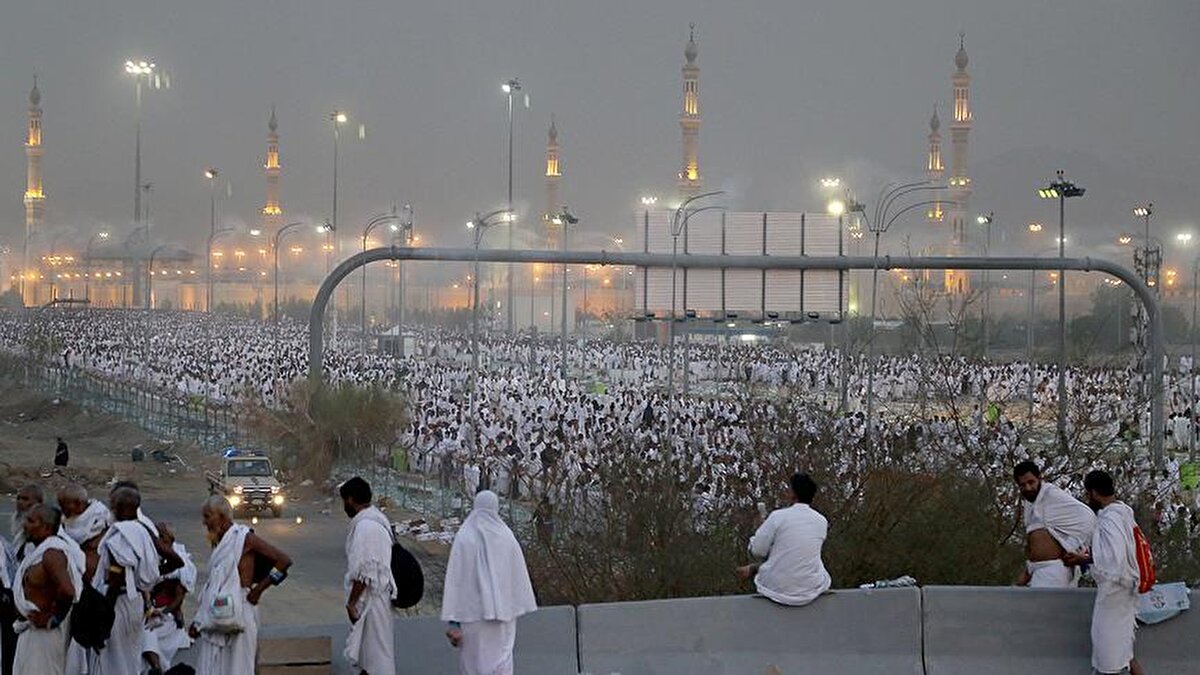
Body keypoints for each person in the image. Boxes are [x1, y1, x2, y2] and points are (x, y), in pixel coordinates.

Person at [191, 495, 292, 675]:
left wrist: (259, 590)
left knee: (238, 669)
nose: (204, 522)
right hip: (217, 612)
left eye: (207, 516)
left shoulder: (244, 538)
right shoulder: (219, 542)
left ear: (222, 517)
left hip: (242, 610)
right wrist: (199, 619)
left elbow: (284, 561)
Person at [442, 490, 537, 675]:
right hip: (504, 618)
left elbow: (457, 583)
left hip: (472, 618)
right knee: (501, 662)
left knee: (473, 665)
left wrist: (454, 622)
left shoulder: (464, 538)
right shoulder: (507, 537)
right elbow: (517, 579)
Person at [89, 486, 182, 675]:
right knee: (130, 657)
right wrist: (148, 577)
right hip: (137, 602)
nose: (110, 509)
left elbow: (115, 581)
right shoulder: (144, 530)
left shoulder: (122, 534)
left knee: (114, 661)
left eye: (113, 505)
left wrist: (104, 621)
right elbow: (176, 560)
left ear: (121, 508)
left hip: (118, 604)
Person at [1064, 470, 1144, 675]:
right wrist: (1086, 558)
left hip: (1114, 591)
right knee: (1121, 649)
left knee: (1109, 653)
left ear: (1093, 493)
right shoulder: (1123, 512)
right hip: (1124, 591)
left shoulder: (1110, 519)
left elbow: (1114, 559)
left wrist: (1095, 565)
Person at [737, 472, 832, 607]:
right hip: (811, 589)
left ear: (793, 493)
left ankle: (754, 569)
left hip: (775, 590)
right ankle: (754, 569)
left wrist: (758, 532)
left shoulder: (777, 517)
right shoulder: (821, 521)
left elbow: (758, 551)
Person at [11, 504, 82, 675]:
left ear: (46, 527)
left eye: (31, 521)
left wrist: (54, 619)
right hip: (30, 632)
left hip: (44, 636)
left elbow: (69, 591)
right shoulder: (38, 551)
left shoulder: (52, 554)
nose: (25, 525)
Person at [340, 477, 396, 675]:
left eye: (344, 501)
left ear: (351, 499)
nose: (344, 506)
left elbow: (366, 573)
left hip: (372, 602)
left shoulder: (366, 527)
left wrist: (352, 603)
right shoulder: (373, 521)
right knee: (368, 659)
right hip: (372, 601)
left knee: (376, 660)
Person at [1012, 461, 1096, 588]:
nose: (1028, 488)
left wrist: (1071, 547)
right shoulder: (1030, 503)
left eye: (1031, 482)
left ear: (1039, 478)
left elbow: (1088, 518)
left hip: (1053, 570)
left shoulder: (1052, 495)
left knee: (1042, 606)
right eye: (1022, 485)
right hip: (1035, 570)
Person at [143, 522, 196, 673]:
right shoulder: (152, 559)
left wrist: (164, 612)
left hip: (166, 615)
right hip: (150, 611)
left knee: (148, 632)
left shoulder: (182, 563)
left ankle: (157, 668)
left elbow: (178, 598)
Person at [57, 484, 112, 579]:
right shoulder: (63, 521)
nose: (62, 509)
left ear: (78, 504)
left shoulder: (101, 519)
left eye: (63, 505)